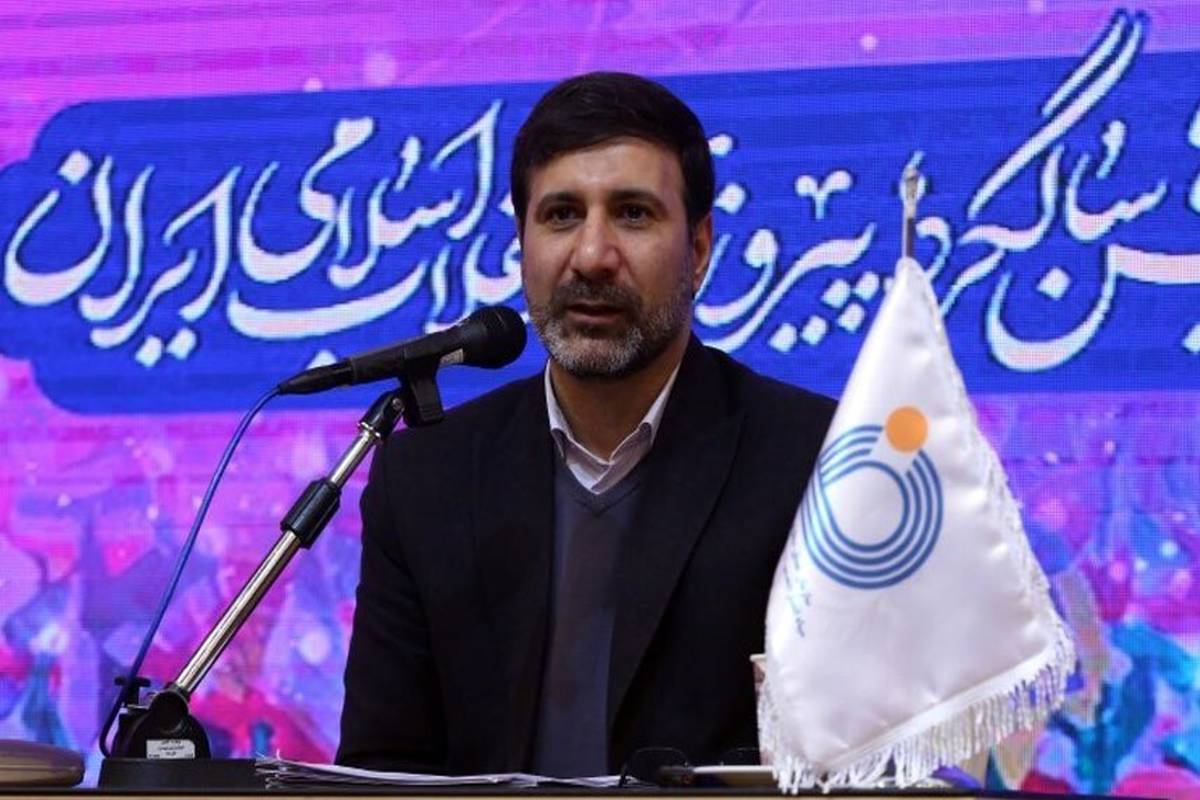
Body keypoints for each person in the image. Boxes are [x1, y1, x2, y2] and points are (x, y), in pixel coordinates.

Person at [337, 72, 835, 777]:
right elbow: (382, 772)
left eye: (632, 214)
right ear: (522, 243)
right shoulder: (426, 478)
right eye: (562, 215)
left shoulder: (812, 461)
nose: (593, 256)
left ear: (698, 249)